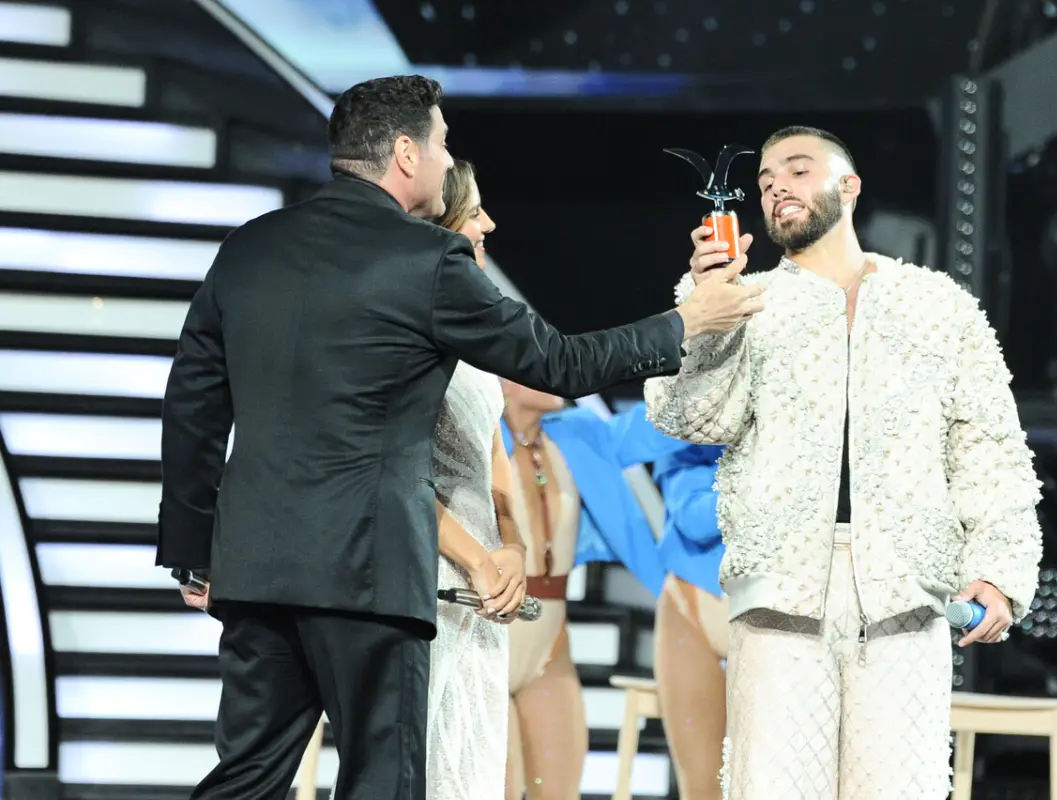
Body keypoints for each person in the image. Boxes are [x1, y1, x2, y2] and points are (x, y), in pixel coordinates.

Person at [156, 74, 765, 800]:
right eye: (444, 144)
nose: (451, 162)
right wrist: (689, 321)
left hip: (256, 568)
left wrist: (194, 549)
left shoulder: (249, 248)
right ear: (406, 154)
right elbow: (559, 362)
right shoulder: (426, 261)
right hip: (370, 576)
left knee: (245, 780)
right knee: (385, 783)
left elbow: (192, 402)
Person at [644, 125, 1043, 799]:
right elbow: (690, 417)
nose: (777, 188)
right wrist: (705, 308)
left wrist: (1000, 570)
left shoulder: (937, 307)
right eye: (767, 181)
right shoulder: (749, 304)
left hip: (906, 595)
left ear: (848, 187)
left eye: (797, 170)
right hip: (780, 598)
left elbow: (989, 446)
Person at [327, 159, 522, 800]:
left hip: (485, 585)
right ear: (438, 228)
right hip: (424, 581)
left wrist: (511, 546)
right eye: (475, 213)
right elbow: (394, 467)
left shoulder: (480, 322)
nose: (489, 223)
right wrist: (477, 559)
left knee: (473, 773)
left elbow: (495, 449)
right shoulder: (404, 330)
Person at [498, 387, 688, 800]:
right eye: (539, 362)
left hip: (549, 642)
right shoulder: (477, 437)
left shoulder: (577, 434)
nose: (556, 375)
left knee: (561, 790)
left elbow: (657, 429)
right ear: (506, 376)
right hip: (489, 639)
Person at [651, 443, 728, 800]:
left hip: (775, 612)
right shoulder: (684, 440)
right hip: (693, 604)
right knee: (701, 786)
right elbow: (695, 521)